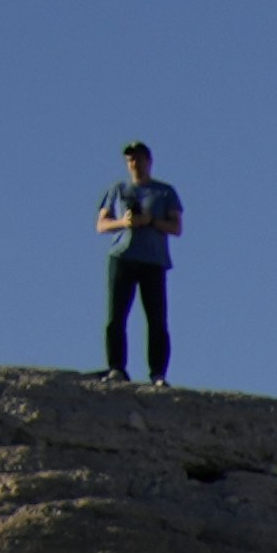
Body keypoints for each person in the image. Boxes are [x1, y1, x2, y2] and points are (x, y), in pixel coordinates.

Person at [93, 144, 183, 382]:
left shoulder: (164, 192)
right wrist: (124, 222)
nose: (134, 163)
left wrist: (151, 220)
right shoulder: (117, 190)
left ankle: (158, 373)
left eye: (139, 159)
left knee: (156, 319)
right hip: (122, 256)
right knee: (116, 316)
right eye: (130, 160)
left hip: (153, 260)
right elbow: (101, 225)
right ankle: (116, 367)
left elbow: (176, 227)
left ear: (149, 161)